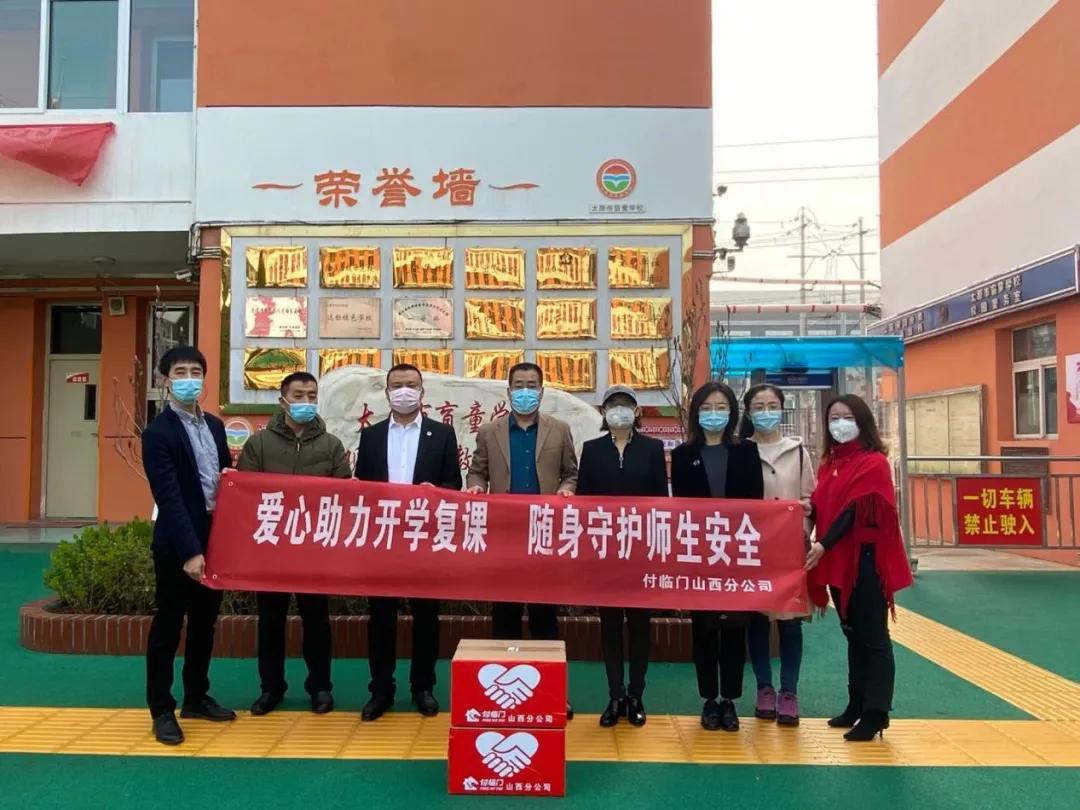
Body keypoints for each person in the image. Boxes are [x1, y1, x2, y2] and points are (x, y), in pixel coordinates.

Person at [237, 371, 352, 717]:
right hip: (272, 548)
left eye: (312, 396)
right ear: (283, 400)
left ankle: (320, 687)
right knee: (270, 621)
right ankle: (271, 688)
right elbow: (244, 495)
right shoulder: (259, 444)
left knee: (317, 621)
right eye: (299, 395)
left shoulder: (330, 445)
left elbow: (343, 493)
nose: (306, 402)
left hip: (314, 549)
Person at [467, 361, 578, 717]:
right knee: (505, 615)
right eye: (519, 385)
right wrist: (475, 487)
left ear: (541, 391)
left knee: (545, 617)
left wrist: (566, 490)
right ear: (509, 390)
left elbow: (571, 472)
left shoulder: (559, 430)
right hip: (505, 535)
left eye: (532, 385)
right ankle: (503, 694)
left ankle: (551, 694)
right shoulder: (490, 431)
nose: (525, 391)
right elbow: (478, 471)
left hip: (544, 534)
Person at [354, 364, 462, 721]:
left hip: (424, 537)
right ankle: (380, 690)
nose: (404, 391)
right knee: (381, 618)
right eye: (397, 385)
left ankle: (423, 687)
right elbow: (362, 486)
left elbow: (454, 484)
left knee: (426, 616)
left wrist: (436, 492)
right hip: (383, 539)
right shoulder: (371, 436)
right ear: (387, 392)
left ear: (422, 391)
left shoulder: (441, 434)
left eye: (411, 385)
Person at [805, 394, 914, 742]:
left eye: (847, 417)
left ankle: (876, 713)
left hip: (865, 562)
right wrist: (804, 510)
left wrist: (823, 543)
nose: (839, 424)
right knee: (852, 633)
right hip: (839, 562)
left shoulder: (873, 463)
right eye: (833, 418)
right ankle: (856, 703)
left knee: (873, 637)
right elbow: (823, 505)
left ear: (862, 421)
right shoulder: (829, 464)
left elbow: (854, 510)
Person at [141, 346, 236, 745]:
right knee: (168, 624)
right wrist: (190, 551)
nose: (189, 379)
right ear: (166, 381)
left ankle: (196, 696)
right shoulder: (158, 433)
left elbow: (226, 480)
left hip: (215, 537)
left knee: (204, 622)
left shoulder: (214, 425)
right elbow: (169, 496)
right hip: (178, 544)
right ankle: (162, 708)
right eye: (180, 372)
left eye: (195, 371)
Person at [670, 382, 764, 732]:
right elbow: (681, 506)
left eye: (721, 407)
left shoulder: (746, 451)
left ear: (732, 412)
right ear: (696, 413)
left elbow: (756, 502)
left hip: (737, 551)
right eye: (707, 407)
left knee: (735, 628)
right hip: (699, 554)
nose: (714, 414)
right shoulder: (683, 455)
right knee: (704, 628)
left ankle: (731, 700)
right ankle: (709, 699)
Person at [576, 385, 667, 728]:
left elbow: (661, 500)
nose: (619, 411)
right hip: (606, 553)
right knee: (610, 626)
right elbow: (583, 501)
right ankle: (615, 695)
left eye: (626, 405)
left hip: (641, 551)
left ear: (637, 411)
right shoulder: (592, 450)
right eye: (613, 405)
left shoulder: (652, 449)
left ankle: (636, 694)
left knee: (640, 625)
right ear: (603, 412)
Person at [740, 384, 815, 727]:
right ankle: (764, 688)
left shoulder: (797, 452)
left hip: (789, 550)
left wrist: (804, 517)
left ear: (782, 409)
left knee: (790, 624)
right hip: (752, 549)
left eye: (772, 405)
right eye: (758, 406)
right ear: (748, 412)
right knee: (757, 620)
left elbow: (811, 498)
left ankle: (789, 692)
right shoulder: (742, 452)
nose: (766, 412)